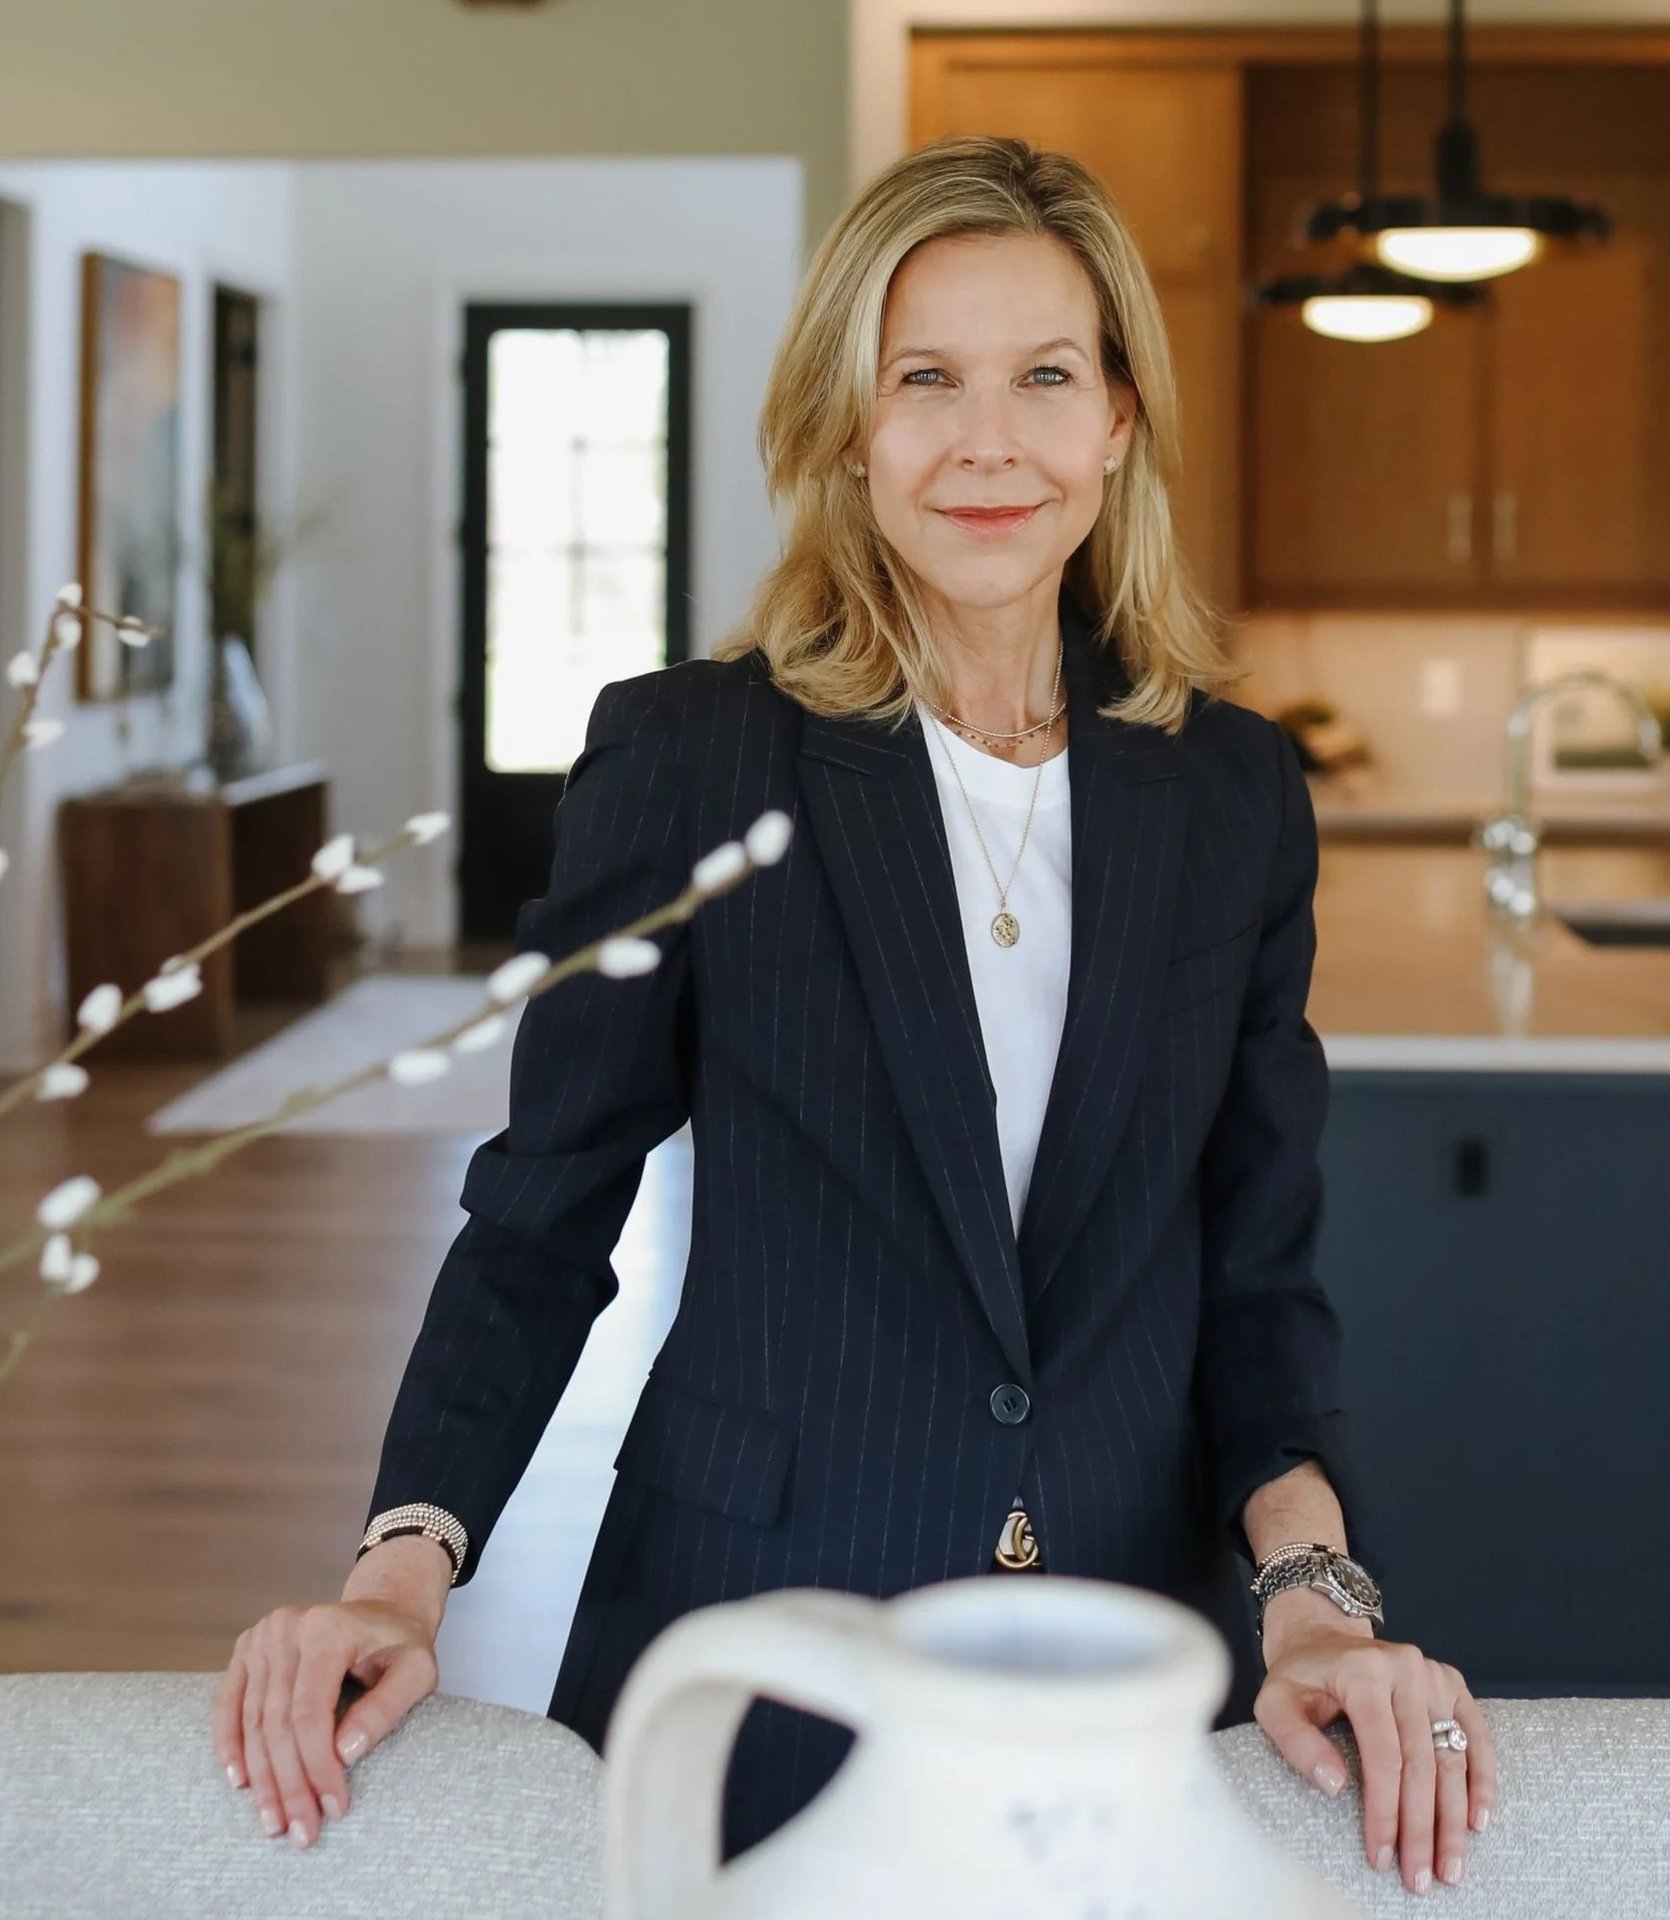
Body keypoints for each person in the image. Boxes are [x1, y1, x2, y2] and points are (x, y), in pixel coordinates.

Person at [212, 133, 1498, 1894]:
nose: (989, 441)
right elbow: (540, 1216)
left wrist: (1317, 1597)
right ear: (848, 430)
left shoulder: (1232, 795)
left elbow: (1255, 1273)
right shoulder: (690, 760)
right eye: (925, 380)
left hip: (1125, 1665)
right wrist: (399, 1571)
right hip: (753, 1645)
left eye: (1046, 377)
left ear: (1119, 421)